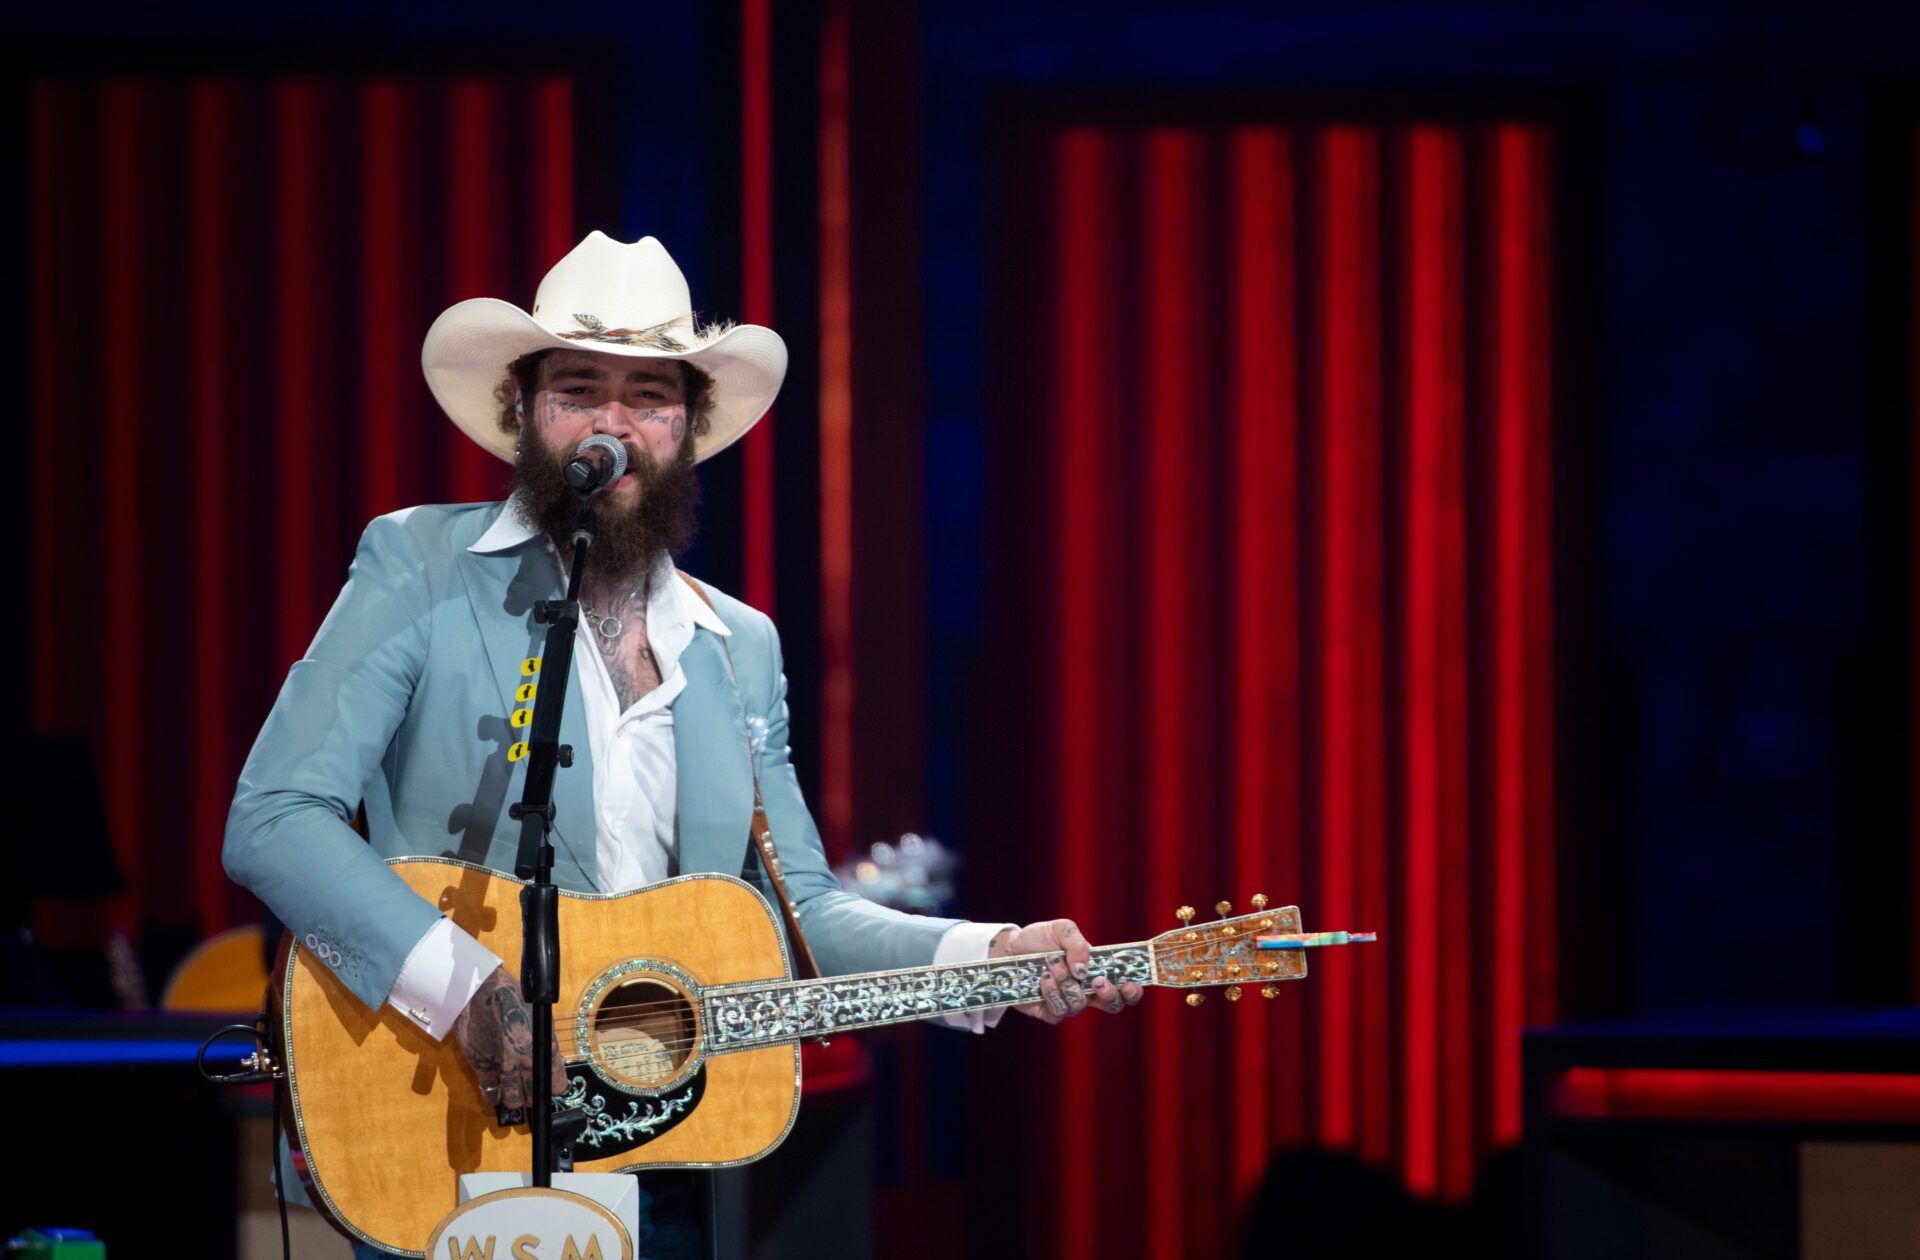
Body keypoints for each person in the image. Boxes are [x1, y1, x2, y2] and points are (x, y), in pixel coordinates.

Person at [224, 231, 1143, 1258]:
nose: (614, 422)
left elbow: (803, 914)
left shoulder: (736, 647)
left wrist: (994, 954)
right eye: (580, 389)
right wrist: (467, 991)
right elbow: (273, 820)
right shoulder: (419, 567)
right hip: (444, 1127)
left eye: (650, 397)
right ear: (526, 411)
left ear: (689, 428)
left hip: (660, 1147)